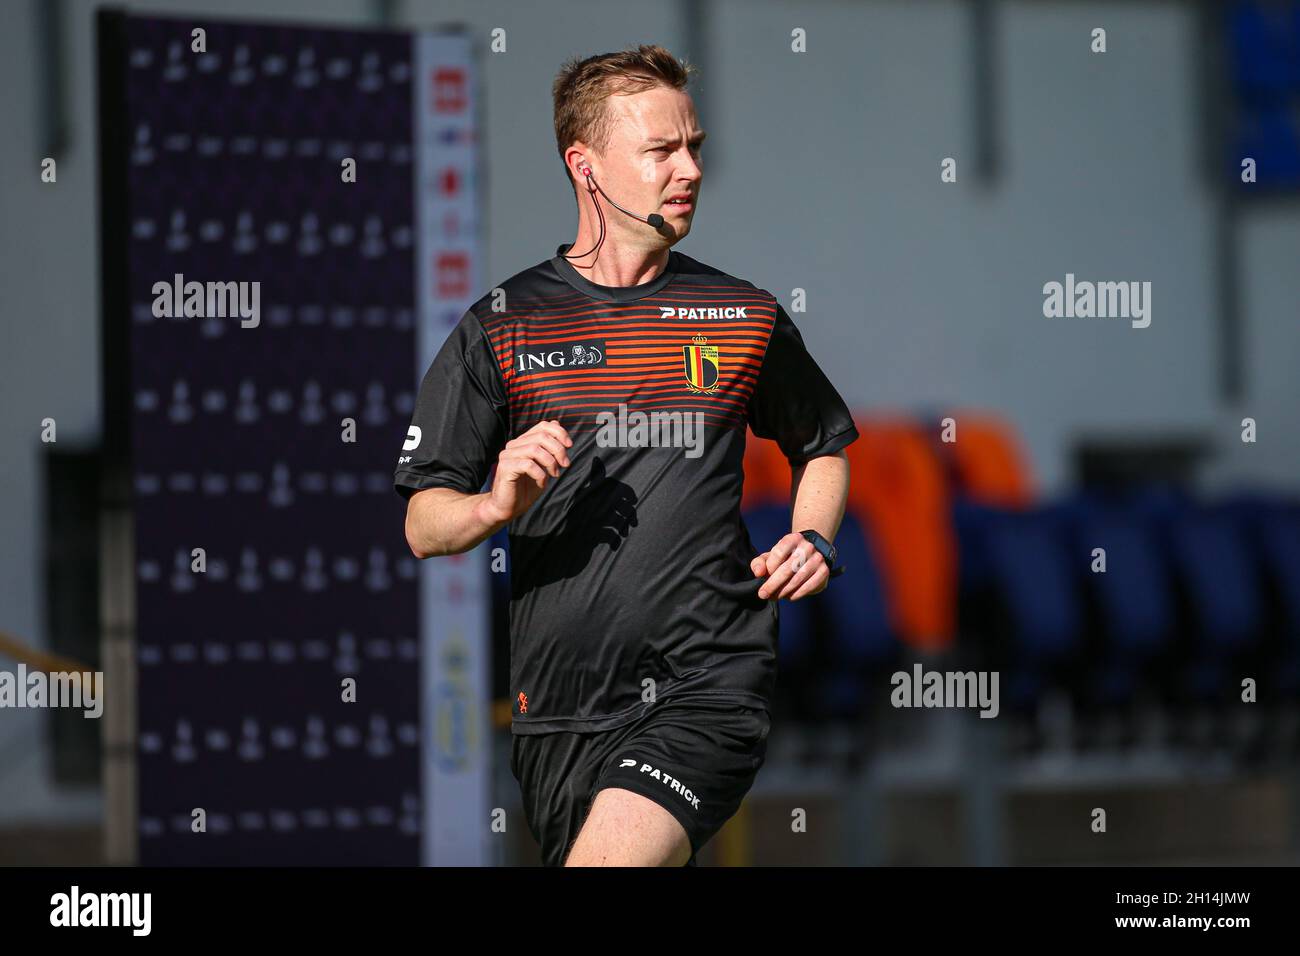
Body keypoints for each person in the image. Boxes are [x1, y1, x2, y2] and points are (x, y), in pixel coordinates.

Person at [395, 44, 857, 866]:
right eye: (661, 151)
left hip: (706, 683)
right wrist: (493, 506)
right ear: (587, 167)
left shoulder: (740, 314)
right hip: (557, 712)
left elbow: (823, 444)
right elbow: (425, 527)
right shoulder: (502, 325)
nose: (689, 169)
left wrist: (812, 535)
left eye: (695, 147)